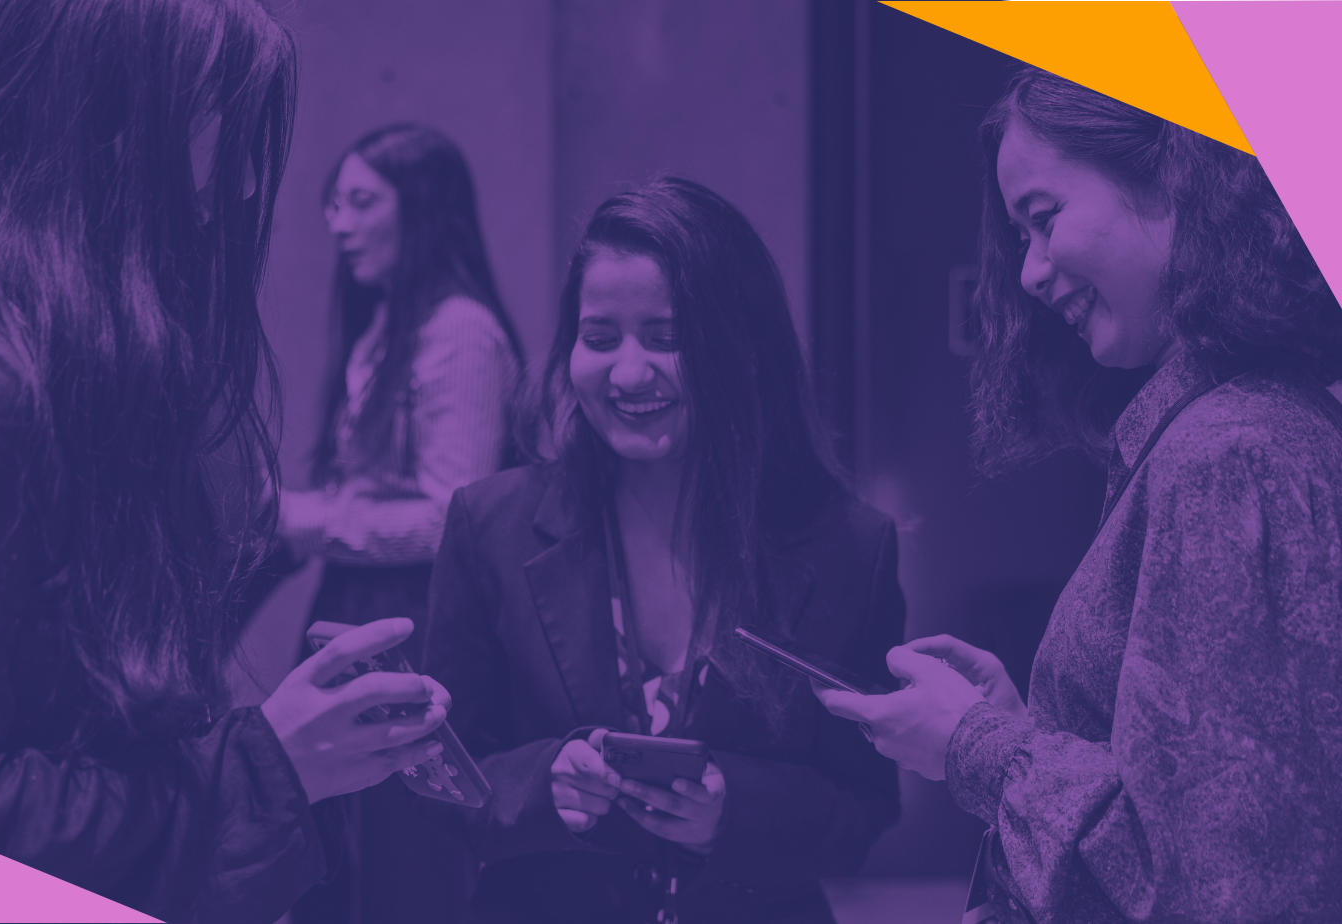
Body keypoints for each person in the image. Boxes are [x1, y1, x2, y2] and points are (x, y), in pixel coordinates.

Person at [0, 3, 453, 922]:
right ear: (114, 129)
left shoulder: (42, 359)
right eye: (232, 134)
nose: (250, 186)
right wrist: (269, 765)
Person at [815, 68, 1342, 924]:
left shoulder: (1232, 455)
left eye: (1043, 218)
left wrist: (977, 743)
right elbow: (1189, 806)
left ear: (1172, 175)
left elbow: (1218, 888)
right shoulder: (1224, 433)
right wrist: (1031, 727)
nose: (1028, 272)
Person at [423, 178, 905, 924]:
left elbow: (862, 807)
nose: (628, 373)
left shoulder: (846, 545)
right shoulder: (492, 523)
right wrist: (544, 784)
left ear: (742, 349)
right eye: (600, 337)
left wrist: (731, 809)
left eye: (668, 338)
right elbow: (447, 775)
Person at [268, 122, 523, 924]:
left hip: (421, 615)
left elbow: (458, 514)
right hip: (366, 604)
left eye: (359, 201)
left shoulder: (459, 332)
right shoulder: (387, 322)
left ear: (422, 208)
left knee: (401, 860)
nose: (338, 223)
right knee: (339, 848)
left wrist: (310, 519)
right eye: (332, 203)